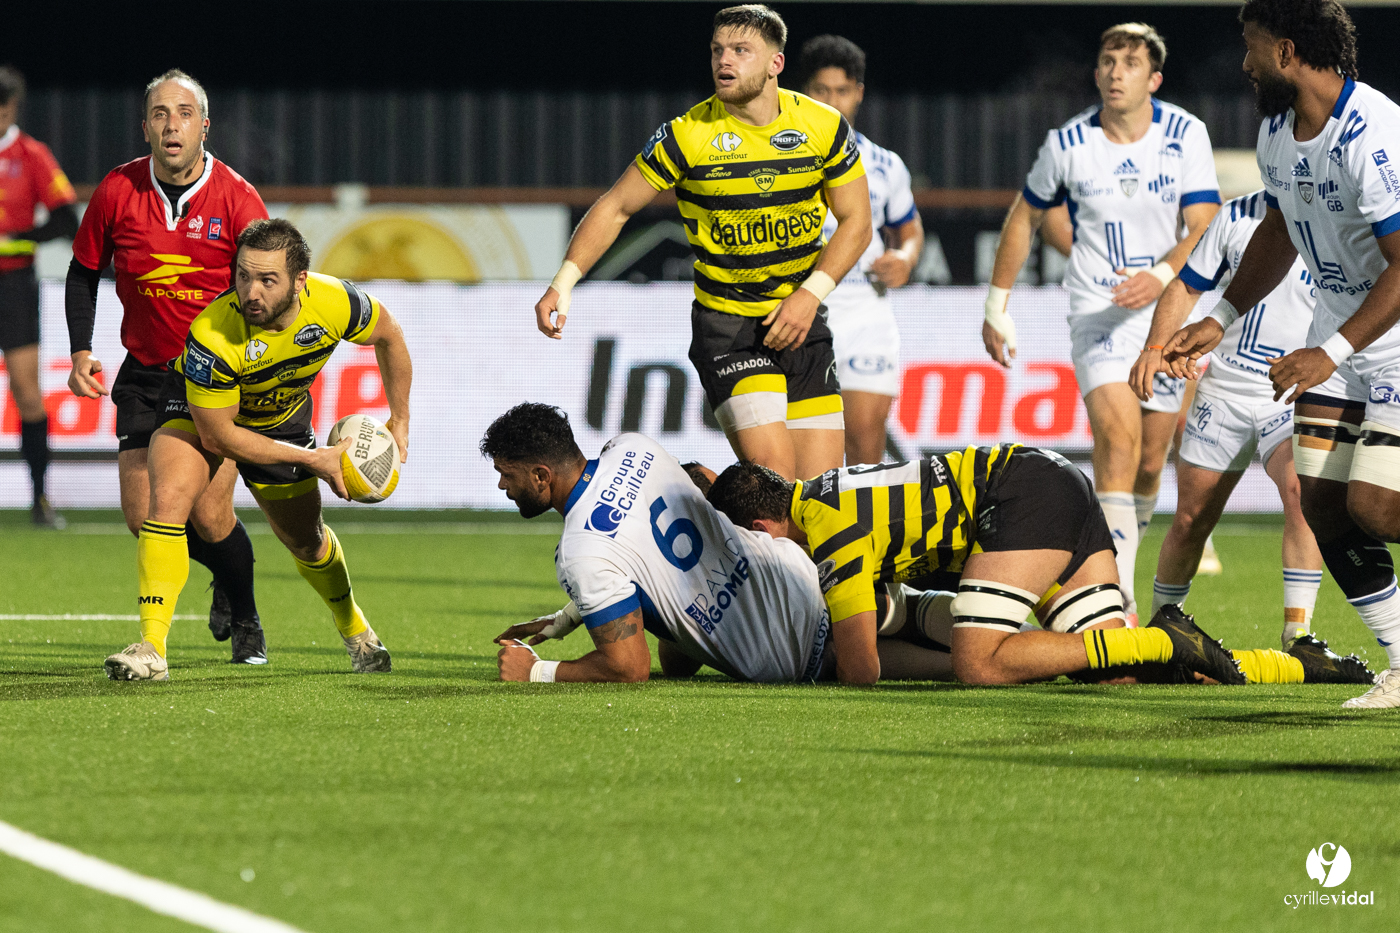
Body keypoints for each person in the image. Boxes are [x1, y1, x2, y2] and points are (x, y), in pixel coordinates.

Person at [1163, 0, 1400, 709]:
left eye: (1252, 45)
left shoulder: (1374, 132)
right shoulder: (1276, 130)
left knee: (1377, 508)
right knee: (1321, 503)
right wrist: (1221, 316)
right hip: (1340, 339)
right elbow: (1280, 228)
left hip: (1389, 343)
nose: (1244, 63)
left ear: (1287, 52)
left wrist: (1328, 351)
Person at [532, 4, 871, 483]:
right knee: (775, 480)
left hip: (802, 323)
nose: (724, 61)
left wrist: (809, 296)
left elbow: (858, 221)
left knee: (820, 496)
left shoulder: (824, 126)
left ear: (775, 63)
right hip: (730, 329)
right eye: (717, 50)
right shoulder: (686, 136)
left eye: (741, 50)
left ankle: (703, 498)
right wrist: (563, 282)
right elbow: (616, 207)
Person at [983, 23, 1221, 621]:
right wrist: (996, 305)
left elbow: (1205, 223)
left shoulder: (1185, 133)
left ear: (1154, 79)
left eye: (1131, 63)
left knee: (1150, 462)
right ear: (1095, 74)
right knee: (1118, 439)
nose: (1117, 72)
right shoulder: (1067, 142)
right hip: (1098, 314)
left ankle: (1124, 565)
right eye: (1108, 61)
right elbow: (1024, 216)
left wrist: (1161, 275)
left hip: (1166, 313)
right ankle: (1120, 599)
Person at [103, 219, 410, 682]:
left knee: (307, 541)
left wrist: (399, 419)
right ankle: (152, 648)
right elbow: (219, 438)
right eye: (243, 276)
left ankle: (356, 630)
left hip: (282, 419)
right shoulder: (212, 335)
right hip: (203, 414)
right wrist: (312, 459)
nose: (251, 292)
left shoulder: (336, 302)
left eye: (268, 280)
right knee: (166, 502)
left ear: (300, 281)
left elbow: (389, 335)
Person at [483, 405, 953, 684]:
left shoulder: (580, 552)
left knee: (959, 665)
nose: (503, 485)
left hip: (795, 649)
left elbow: (628, 668)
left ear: (541, 476)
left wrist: (537, 671)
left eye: (507, 474)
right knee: (947, 621)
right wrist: (571, 615)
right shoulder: (632, 446)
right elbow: (673, 508)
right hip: (802, 571)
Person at [706, 450, 1249, 686]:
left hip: (1020, 500)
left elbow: (861, 669)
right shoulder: (826, 491)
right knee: (1112, 672)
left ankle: (1162, 639)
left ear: (760, 528)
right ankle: (1208, 659)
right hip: (1051, 484)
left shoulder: (828, 530)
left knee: (978, 663)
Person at [66, 70, 270, 662]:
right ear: (146, 127)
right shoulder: (117, 190)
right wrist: (80, 350)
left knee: (208, 514)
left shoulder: (238, 199)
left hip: (217, 376)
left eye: (183, 113)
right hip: (146, 369)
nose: (171, 124)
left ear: (204, 126)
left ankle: (246, 615)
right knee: (143, 518)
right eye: (160, 113)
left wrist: (259, 364)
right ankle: (225, 580)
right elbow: (83, 271)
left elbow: (271, 285)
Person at [1132, 191, 1324, 649]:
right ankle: (1160, 633)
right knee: (1191, 519)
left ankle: (1298, 634)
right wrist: (1154, 347)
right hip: (1225, 389)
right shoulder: (1236, 214)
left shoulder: (1334, 216)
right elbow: (1185, 286)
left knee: (1301, 493)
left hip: (1293, 389)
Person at [798, 35, 923, 467]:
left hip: (866, 315)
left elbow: (909, 230)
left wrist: (906, 258)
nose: (832, 102)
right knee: (804, 456)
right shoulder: (777, 160)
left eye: (842, 91)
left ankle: (863, 515)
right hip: (801, 315)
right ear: (802, 92)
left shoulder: (885, 164)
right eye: (821, 90)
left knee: (865, 443)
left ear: (859, 94)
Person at [0, 65, 78, 527]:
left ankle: (40, 498)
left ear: (13, 108)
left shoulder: (32, 155)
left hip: (14, 286)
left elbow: (66, 219)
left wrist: (20, 237)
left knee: (27, 393)